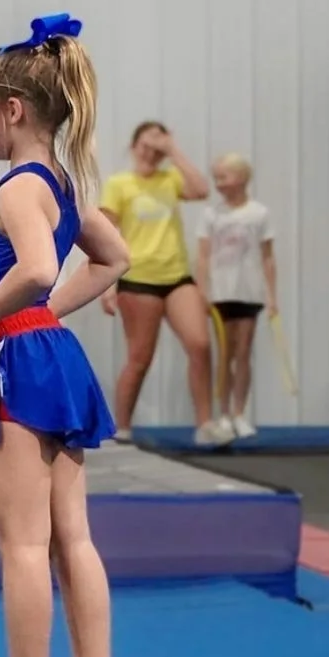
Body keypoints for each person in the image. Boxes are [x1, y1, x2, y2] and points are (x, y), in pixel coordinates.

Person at [0, 14, 130, 657]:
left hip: (11, 363)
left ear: (14, 110)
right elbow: (111, 259)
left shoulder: (19, 187)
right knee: (69, 537)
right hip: (48, 353)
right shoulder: (62, 183)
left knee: (20, 540)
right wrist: (43, 311)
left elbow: (40, 268)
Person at [99, 122, 233, 448]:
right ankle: (122, 429)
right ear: (133, 147)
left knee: (200, 345)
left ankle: (204, 425)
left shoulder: (170, 179)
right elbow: (106, 234)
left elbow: (202, 190)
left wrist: (173, 151)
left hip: (176, 277)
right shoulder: (119, 184)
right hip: (137, 279)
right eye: (145, 147)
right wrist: (107, 284)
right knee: (140, 357)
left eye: (156, 150)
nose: (150, 154)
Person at [195, 153, 278, 440]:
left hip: (249, 291)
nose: (219, 184)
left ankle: (240, 412)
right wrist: (202, 289)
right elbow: (204, 255)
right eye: (216, 178)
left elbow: (268, 257)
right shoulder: (212, 215)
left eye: (224, 177)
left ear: (241, 178)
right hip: (221, 292)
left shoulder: (258, 213)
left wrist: (272, 296)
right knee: (225, 353)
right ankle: (224, 413)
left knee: (243, 352)